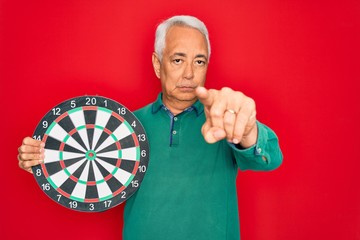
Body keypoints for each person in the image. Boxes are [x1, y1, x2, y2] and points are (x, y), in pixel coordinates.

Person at [17, 15, 283, 240]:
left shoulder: (223, 120)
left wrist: (247, 131)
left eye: (199, 61)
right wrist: (45, 160)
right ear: (158, 64)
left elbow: (270, 158)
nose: (189, 73)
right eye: (178, 60)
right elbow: (87, 167)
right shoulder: (122, 128)